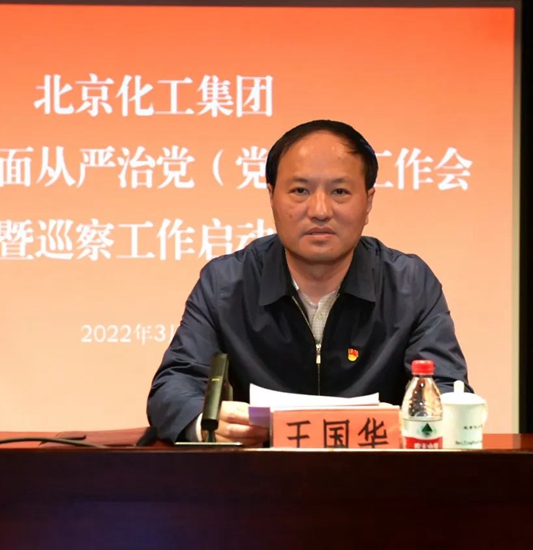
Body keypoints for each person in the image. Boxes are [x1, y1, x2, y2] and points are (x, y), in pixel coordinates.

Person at [147, 119, 470, 445]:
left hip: (376, 472)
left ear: (368, 201)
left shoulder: (409, 285)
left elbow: (446, 389)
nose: (319, 210)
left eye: (340, 191)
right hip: (256, 472)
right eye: (300, 190)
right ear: (272, 196)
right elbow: (174, 386)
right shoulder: (226, 284)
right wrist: (207, 423)